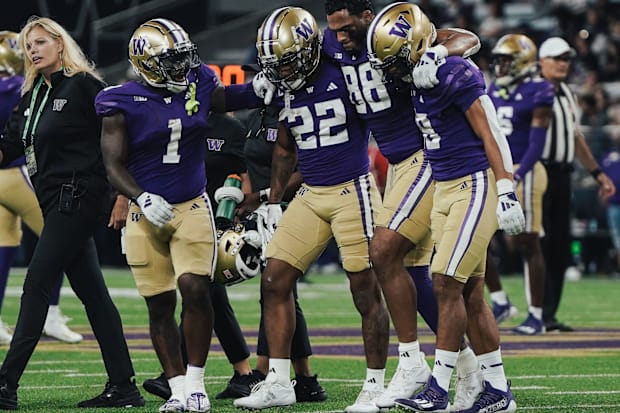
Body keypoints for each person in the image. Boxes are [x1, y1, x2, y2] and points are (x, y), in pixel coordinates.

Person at [96, 17, 272, 413]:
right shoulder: (119, 100)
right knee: (158, 305)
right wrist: (139, 196)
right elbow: (113, 164)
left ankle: (196, 385)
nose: (182, 68)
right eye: (171, 61)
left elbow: (227, 99)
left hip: (192, 204)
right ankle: (176, 389)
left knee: (195, 289)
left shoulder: (200, 81)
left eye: (183, 58)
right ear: (146, 62)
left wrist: (258, 90)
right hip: (148, 212)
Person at [323, 1, 483, 410]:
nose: (341, 37)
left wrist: (438, 52)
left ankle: (412, 360)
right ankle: (470, 370)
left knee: (383, 252)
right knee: (413, 271)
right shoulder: (332, 44)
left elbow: (466, 39)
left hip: (424, 156)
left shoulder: (388, 33)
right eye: (334, 30)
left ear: (366, 15)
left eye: (347, 28)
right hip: (396, 164)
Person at [367, 3, 524, 412]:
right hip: (444, 185)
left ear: (418, 45)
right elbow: (456, 39)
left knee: (445, 283)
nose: (391, 70)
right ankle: (497, 389)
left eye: (397, 59)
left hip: (474, 183)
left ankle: (436, 387)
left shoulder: (454, 72)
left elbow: (489, 131)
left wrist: (505, 187)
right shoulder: (418, 74)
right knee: (471, 293)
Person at [233, 6, 390, 411]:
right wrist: (272, 200)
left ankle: (375, 384)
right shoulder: (286, 83)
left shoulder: (344, 65)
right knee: (275, 279)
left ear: (306, 49)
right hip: (311, 194)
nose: (281, 72)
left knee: (364, 289)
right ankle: (280, 381)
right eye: (275, 65)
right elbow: (285, 147)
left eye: (285, 62)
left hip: (352, 189)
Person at [0, 16, 144, 410]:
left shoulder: (85, 86)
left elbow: (118, 142)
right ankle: (124, 386)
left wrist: (122, 195)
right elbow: (9, 145)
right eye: (29, 45)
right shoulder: (31, 97)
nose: (33, 50)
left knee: (37, 284)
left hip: (79, 199)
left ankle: (5, 385)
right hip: (53, 203)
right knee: (94, 296)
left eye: (41, 42)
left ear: (60, 45)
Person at [139, 111, 265, 403]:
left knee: (202, 291)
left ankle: (225, 373)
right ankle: (242, 373)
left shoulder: (230, 128)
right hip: (179, 217)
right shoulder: (176, 122)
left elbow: (245, 174)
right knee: (206, 293)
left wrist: (236, 216)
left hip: (216, 219)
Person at [238, 79, 327, 403]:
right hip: (261, 209)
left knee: (280, 285)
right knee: (275, 288)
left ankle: (297, 377)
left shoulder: (298, 109)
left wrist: (265, 196)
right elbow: (250, 162)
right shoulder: (256, 117)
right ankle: (290, 376)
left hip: (292, 205)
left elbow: (309, 166)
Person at [0, 30, 82, 346]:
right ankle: (52, 313)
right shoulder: (19, 88)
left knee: (5, 246)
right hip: (17, 174)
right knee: (58, 237)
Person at [538, 37, 615, 332]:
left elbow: (575, 137)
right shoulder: (534, 92)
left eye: (567, 59)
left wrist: (597, 173)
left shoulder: (568, 94)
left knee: (558, 246)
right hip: (538, 172)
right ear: (541, 61)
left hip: (562, 174)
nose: (563, 64)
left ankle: (549, 313)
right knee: (539, 244)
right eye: (557, 58)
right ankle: (537, 312)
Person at [486, 33, 555, 335]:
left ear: (522, 62)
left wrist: (517, 174)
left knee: (528, 242)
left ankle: (536, 315)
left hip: (524, 171)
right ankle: (500, 301)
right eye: (498, 60)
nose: (500, 66)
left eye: (506, 60)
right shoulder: (493, 90)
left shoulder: (540, 90)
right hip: (494, 170)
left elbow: (536, 144)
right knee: (476, 238)